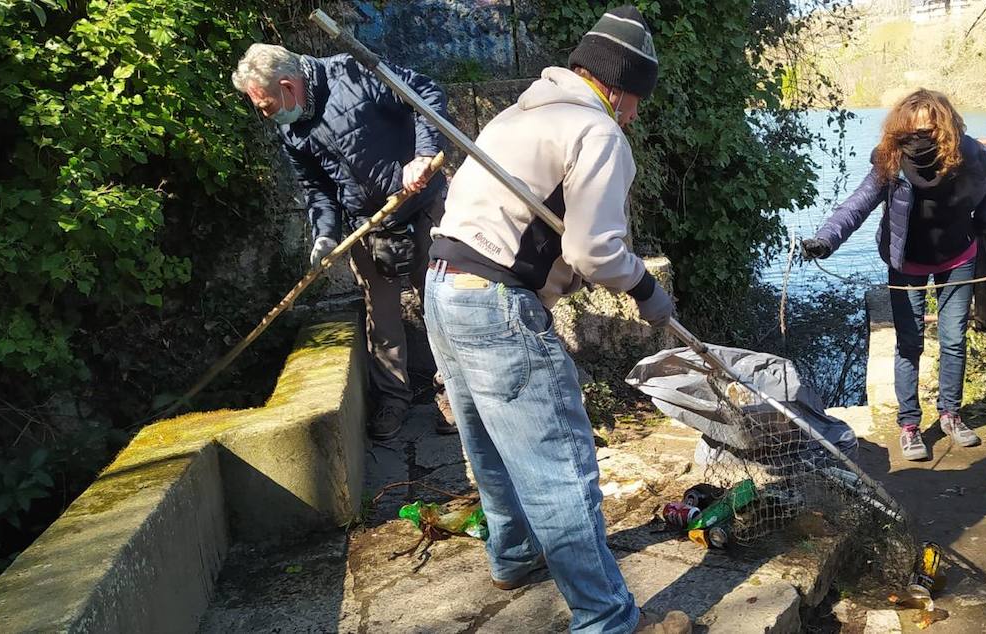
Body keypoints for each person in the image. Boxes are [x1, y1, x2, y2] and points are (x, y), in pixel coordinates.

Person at [423, 6, 686, 633]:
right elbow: (594, 251)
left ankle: (513, 554)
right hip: (492, 302)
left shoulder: (518, 115)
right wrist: (647, 289)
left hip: (442, 290)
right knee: (559, 468)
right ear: (619, 88)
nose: (635, 114)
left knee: (485, 441)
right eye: (636, 101)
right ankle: (606, 619)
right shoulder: (596, 132)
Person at [231, 43, 456, 440]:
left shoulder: (354, 73)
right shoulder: (292, 129)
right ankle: (392, 400)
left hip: (421, 206)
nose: (268, 115)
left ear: (288, 86)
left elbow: (423, 92)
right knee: (382, 317)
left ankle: (454, 396)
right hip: (366, 225)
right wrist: (324, 235)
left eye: (267, 105)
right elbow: (316, 189)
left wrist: (423, 154)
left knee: (440, 304)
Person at [801, 89, 986, 461]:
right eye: (910, 133)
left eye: (928, 131)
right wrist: (825, 241)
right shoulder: (890, 161)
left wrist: (984, 222)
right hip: (905, 263)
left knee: (954, 338)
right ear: (898, 133)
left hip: (959, 257)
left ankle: (951, 414)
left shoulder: (969, 153)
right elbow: (856, 205)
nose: (919, 140)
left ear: (945, 128)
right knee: (909, 344)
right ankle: (910, 425)